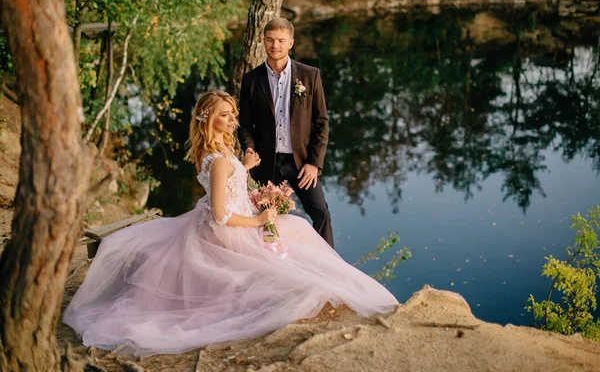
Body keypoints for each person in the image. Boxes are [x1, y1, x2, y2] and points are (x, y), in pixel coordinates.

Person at [62, 91, 398, 358]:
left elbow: (226, 187)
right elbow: (221, 214)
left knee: (298, 229)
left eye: (233, 113)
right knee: (286, 256)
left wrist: (247, 167)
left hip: (229, 216)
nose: (233, 120)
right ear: (210, 119)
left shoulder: (219, 149)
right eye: (225, 115)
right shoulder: (219, 158)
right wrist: (258, 219)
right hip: (225, 230)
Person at [238, 18, 334, 248]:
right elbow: (244, 123)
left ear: (291, 42)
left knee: (321, 214)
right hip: (266, 163)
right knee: (267, 220)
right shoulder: (251, 80)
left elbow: (321, 122)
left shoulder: (310, 76)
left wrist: (314, 163)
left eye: (281, 40)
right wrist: (249, 147)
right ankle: (275, 267)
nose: (275, 45)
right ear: (263, 41)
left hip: (301, 164)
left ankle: (329, 268)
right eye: (270, 40)